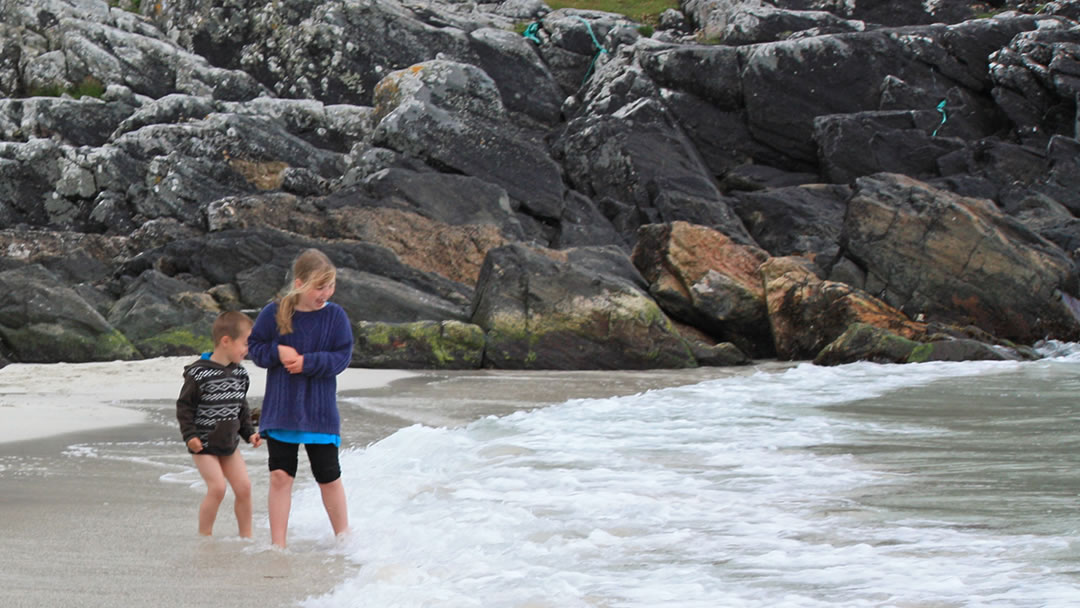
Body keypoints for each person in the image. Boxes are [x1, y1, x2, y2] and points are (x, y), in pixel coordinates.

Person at [248, 248, 354, 548]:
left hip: (320, 413)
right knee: (281, 476)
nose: (326, 293)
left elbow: (342, 357)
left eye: (330, 286)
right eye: (319, 287)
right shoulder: (274, 312)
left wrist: (308, 362)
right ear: (299, 283)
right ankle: (277, 546)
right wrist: (277, 352)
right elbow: (255, 348)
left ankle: (344, 540)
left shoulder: (335, 316)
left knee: (328, 476)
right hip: (282, 411)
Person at [176, 310, 262, 538]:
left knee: (244, 488)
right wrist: (189, 436)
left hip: (229, 444)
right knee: (218, 488)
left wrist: (249, 434)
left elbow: (241, 408)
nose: (247, 350)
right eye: (245, 344)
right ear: (226, 341)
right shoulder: (198, 373)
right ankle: (205, 536)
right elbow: (185, 407)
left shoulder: (240, 374)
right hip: (203, 444)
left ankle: (246, 536)